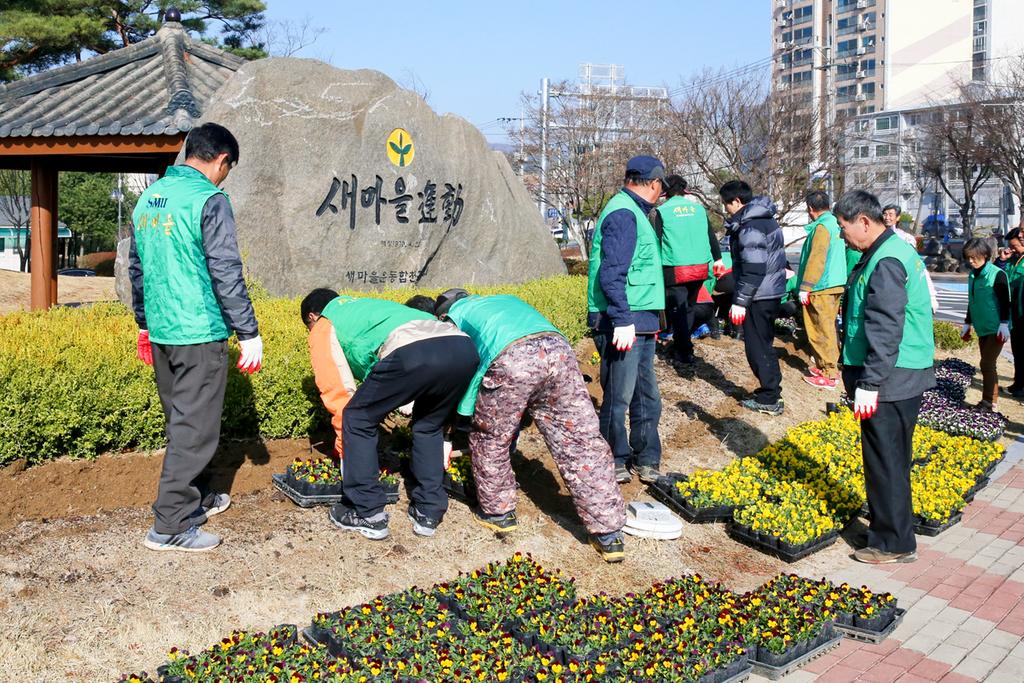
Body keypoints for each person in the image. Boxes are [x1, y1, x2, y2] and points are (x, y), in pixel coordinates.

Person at [129, 123, 263, 553]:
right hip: (199, 330)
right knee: (196, 428)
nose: (225, 177)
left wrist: (143, 322)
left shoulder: (148, 199)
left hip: (165, 328)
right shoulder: (210, 199)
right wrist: (248, 331)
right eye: (228, 169)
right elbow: (226, 269)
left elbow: (138, 268)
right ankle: (170, 524)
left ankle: (197, 496)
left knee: (182, 422)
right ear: (222, 160)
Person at [433, 290, 628, 562]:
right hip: (559, 352)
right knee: (580, 442)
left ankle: (498, 513)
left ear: (443, 313)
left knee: (491, 437)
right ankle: (609, 534)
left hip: (513, 359)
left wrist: (450, 426)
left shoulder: (454, 317)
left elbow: (456, 371)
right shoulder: (502, 299)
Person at [300, 290, 478, 540]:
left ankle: (367, 512)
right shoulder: (366, 305)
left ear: (312, 316)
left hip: (413, 353)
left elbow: (339, 394)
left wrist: (345, 450)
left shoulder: (323, 323)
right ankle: (428, 511)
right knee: (428, 426)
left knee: (357, 418)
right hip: (462, 348)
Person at [836, 190, 935, 564]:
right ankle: (895, 530)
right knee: (892, 458)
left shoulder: (887, 259)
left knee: (885, 460)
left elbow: (885, 326)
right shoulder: (887, 251)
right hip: (900, 373)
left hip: (891, 377)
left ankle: (892, 543)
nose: (844, 236)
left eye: (845, 228)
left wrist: (870, 382)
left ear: (864, 221)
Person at [587, 156, 667, 484]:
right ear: (653, 182)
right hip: (623, 319)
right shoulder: (623, 213)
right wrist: (621, 318)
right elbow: (612, 272)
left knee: (646, 394)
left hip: (642, 319)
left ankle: (647, 457)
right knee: (619, 395)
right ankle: (613, 457)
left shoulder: (637, 213)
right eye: (661, 185)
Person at [719, 180, 788, 416]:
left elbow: (754, 267)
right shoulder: (765, 218)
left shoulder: (750, 227)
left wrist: (740, 300)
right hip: (770, 291)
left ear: (736, 201)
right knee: (765, 343)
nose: (726, 209)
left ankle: (769, 397)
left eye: (726, 204)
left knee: (757, 346)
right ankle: (772, 391)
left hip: (759, 294)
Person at [652, 175, 724, 364]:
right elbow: (711, 237)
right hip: (700, 268)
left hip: (675, 268)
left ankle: (684, 351)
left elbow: (657, 241)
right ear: (684, 190)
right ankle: (682, 344)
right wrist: (718, 259)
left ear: (665, 192)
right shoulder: (698, 209)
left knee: (678, 311)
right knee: (689, 307)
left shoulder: (662, 211)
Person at [796, 191, 847, 390]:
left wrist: (805, 286)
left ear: (810, 208)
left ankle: (828, 373)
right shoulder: (835, 223)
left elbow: (817, 258)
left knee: (819, 329)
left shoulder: (821, 228)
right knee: (828, 327)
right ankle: (826, 366)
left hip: (821, 286)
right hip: (834, 283)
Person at [960, 239, 1011, 411]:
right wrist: (967, 323)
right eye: (968, 258)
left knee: (987, 364)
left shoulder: (997, 274)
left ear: (985, 255)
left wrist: (1004, 323)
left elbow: (1006, 301)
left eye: (974, 257)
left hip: (996, 328)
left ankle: (989, 402)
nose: (971, 261)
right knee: (988, 364)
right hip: (982, 326)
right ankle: (991, 401)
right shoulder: (972, 275)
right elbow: (972, 300)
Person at [1004, 228, 1024, 397]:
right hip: (1013, 314)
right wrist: (1002, 261)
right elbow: (1001, 277)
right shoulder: (1012, 261)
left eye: (1014, 246)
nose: (1012, 249)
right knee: (1017, 350)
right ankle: (1018, 383)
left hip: (1021, 312)